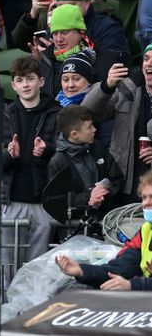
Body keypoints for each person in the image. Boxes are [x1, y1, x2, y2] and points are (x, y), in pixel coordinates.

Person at [2, 56, 61, 269]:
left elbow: (66, 155)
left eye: (30, 78)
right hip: (9, 202)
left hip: (43, 203)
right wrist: (8, 155)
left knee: (38, 267)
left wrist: (47, 150)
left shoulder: (57, 113)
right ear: (13, 85)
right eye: (20, 80)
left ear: (41, 81)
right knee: (7, 266)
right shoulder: (3, 114)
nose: (25, 84)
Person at [55, 170, 152, 291]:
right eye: (144, 198)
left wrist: (132, 285)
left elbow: (130, 283)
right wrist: (81, 270)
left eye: (151, 197)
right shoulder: (146, 231)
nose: (146, 203)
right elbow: (118, 270)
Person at [82, 45, 152, 202]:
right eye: (146, 59)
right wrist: (106, 86)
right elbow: (86, 112)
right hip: (127, 185)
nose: (149, 63)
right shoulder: (127, 89)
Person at [47, 105, 124, 219]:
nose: (94, 129)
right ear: (74, 134)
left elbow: (117, 179)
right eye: (89, 127)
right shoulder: (58, 161)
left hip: (105, 218)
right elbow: (58, 200)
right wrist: (89, 197)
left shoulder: (98, 147)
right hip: (75, 223)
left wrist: (102, 194)